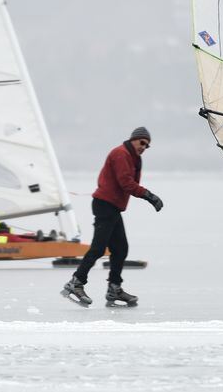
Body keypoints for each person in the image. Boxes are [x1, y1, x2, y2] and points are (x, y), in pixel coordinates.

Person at [62, 127, 164, 306]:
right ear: (133, 139)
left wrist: (147, 195)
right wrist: (149, 196)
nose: (143, 147)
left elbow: (129, 183)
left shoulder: (133, 158)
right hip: (105, 205)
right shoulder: (121, 154)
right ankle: (76, 283)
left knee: (121, 249)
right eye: (142, 142)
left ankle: (114, 289)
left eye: (147, 146)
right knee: (98, 248)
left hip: (112, 207)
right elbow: (126, 182)